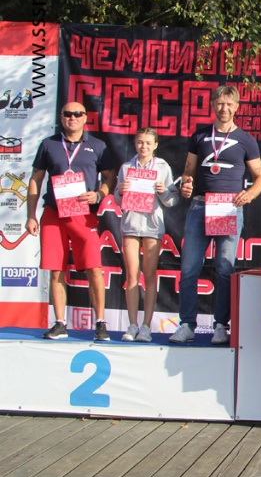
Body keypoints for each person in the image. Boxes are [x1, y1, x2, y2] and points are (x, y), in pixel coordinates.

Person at [172, 85, 261, 344]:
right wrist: (186, 184)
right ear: (213, 105)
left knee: (224, 269)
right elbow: (188, 171)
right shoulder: (200, 136)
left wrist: (250, 194)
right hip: (200, 206)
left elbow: (260, 176)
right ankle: (187, 324)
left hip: (229, 207)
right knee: (189, 268)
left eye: (229, 104)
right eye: (220, 103)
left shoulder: (246, 140)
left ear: (237, 107)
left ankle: (221, 325)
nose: (224, 108)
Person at [25, 102, 116, 341]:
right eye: (68, 114)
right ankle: (60, 323)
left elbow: (110, 177)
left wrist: (99, 194)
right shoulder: (49, 144)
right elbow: (36, 179)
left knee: (94, 268)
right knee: (56, 269)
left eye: (78, 114)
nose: (72, 117)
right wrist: (31, 215)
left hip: (83, 213)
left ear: (85, 118)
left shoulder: (97, 146)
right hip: (54, 213)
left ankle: (100, 323)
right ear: (61, 117)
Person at [113, 128, 180, 342]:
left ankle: (146, 326)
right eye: (140, 142)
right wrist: (121, 191)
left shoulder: (162, 167)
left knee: (150, 276)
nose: (144, 146)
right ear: (135, 143)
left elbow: (172, 200)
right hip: (131, 225)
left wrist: (163, 191)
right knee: (132, 276)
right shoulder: (126, 167)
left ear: (155, 145)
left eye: (148, 143)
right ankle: (132, 325)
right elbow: (117, 199)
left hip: (152, 226)